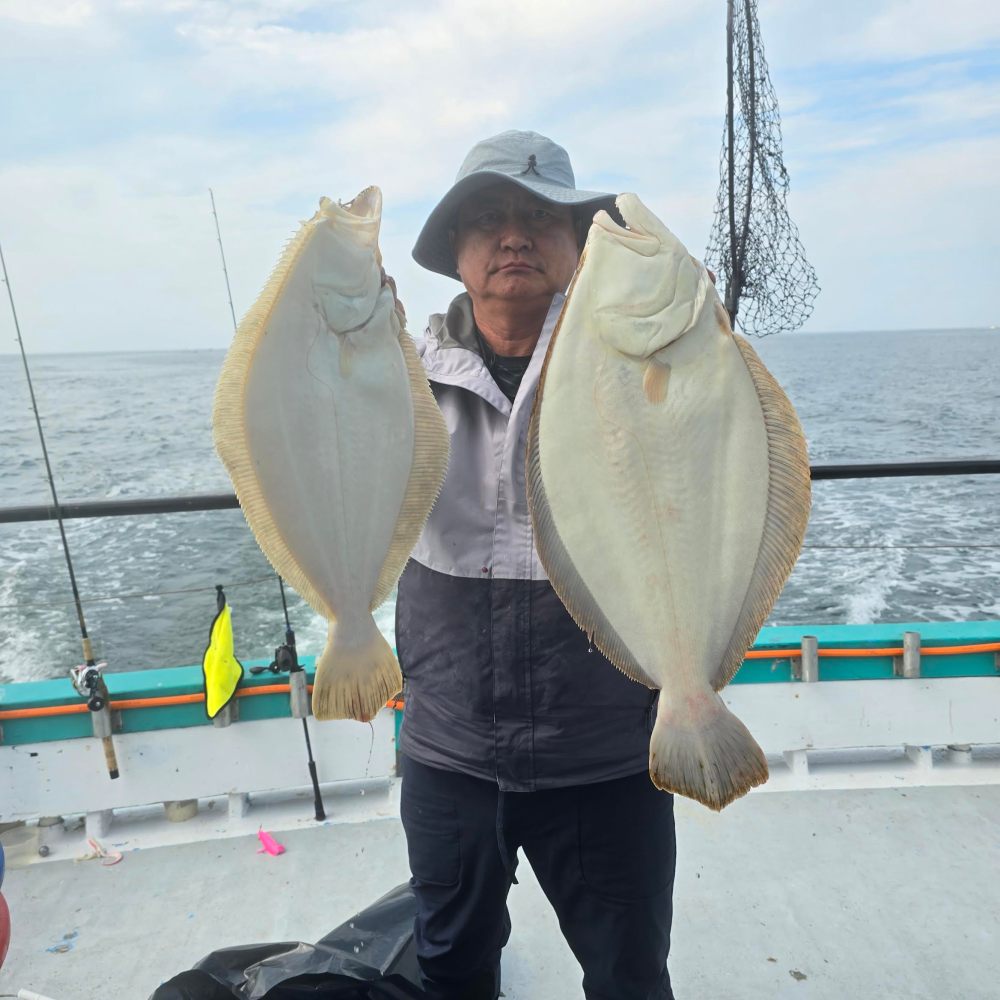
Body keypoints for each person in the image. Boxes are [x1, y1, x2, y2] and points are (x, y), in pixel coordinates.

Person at [394, 130, 676, 1000]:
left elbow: (714, 468)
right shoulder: (392, 380)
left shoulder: (641, 362)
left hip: (608, 752)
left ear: (575, 245)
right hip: (450, 752)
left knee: (630, 975)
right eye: (488, 219)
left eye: (538, 216)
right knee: (452, 966)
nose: (512, 235)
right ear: (456, 254)